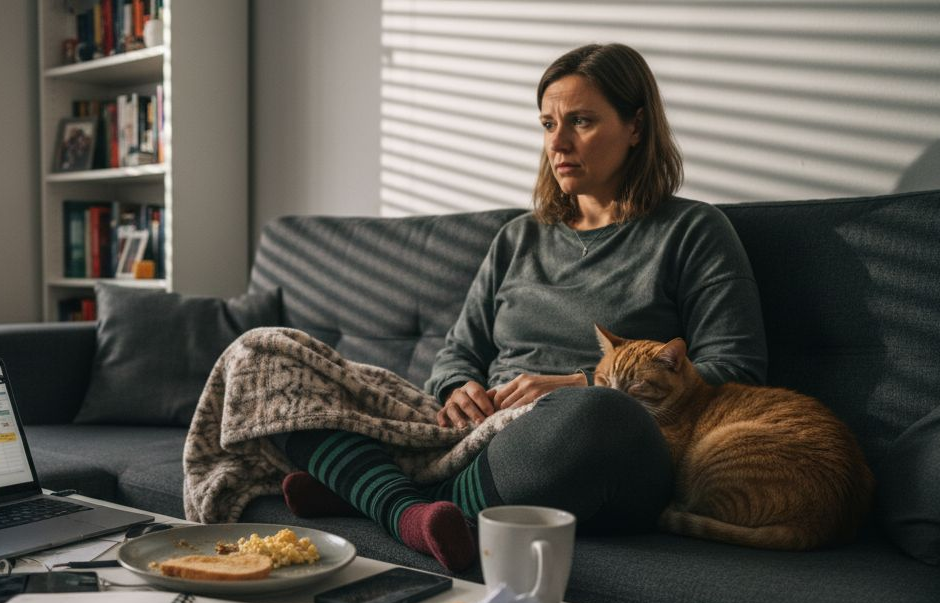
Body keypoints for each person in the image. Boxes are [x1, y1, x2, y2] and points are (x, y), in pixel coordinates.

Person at [273, 43, 767, 572]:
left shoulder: (692, 232)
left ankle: (374, 489)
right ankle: (408, 503)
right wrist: (458, 390)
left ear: (637, 127)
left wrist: (578, 384)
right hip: (480, 435)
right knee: (269, 356)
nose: (558, 142)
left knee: (601, 415)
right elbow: (456, 355)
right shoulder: (517, 239)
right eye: (548, 124)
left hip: (600, 445)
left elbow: (736, 371)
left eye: (581, 121)